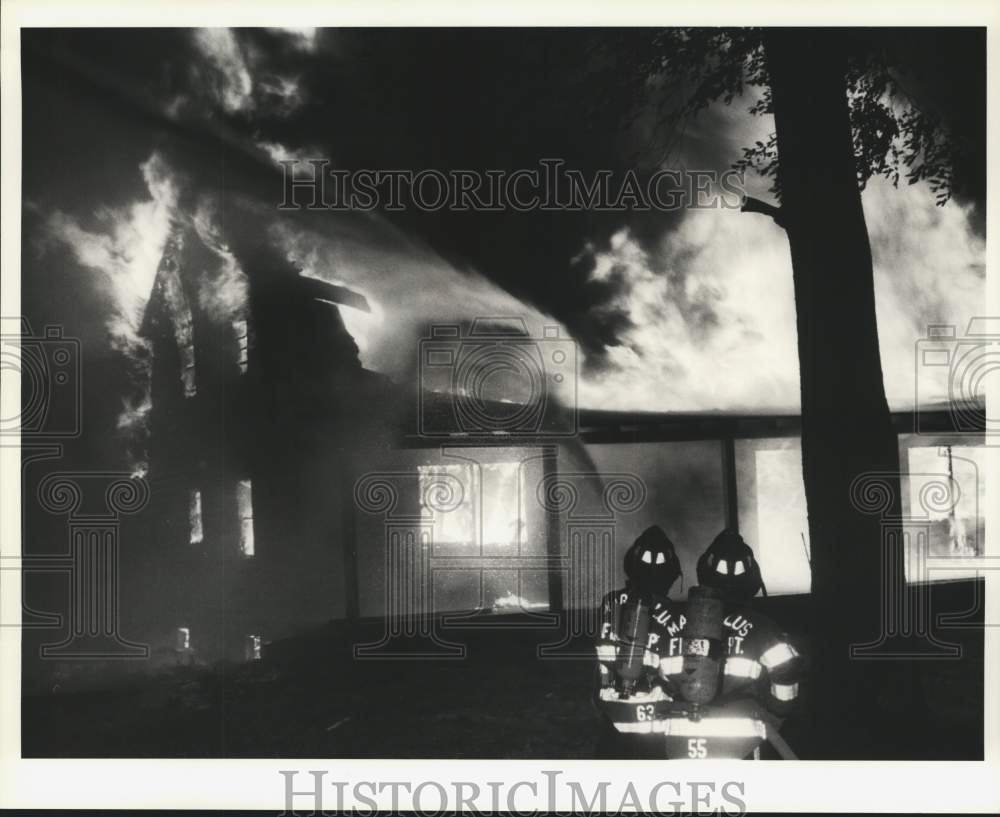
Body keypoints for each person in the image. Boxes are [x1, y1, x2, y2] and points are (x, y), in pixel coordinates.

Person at [657, 529, 803, 758]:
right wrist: (774, 711)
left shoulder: (676, 624)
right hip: (739, 746)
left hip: (681, 744)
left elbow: (661, 678)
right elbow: (786, 677)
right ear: (752, 579)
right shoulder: (762, 628)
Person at [593, 524, 684, 758]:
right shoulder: (675, 615)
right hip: (654, 725)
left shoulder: (608, 603)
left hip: (611, 717)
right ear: (671, 573)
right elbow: (678, 677)